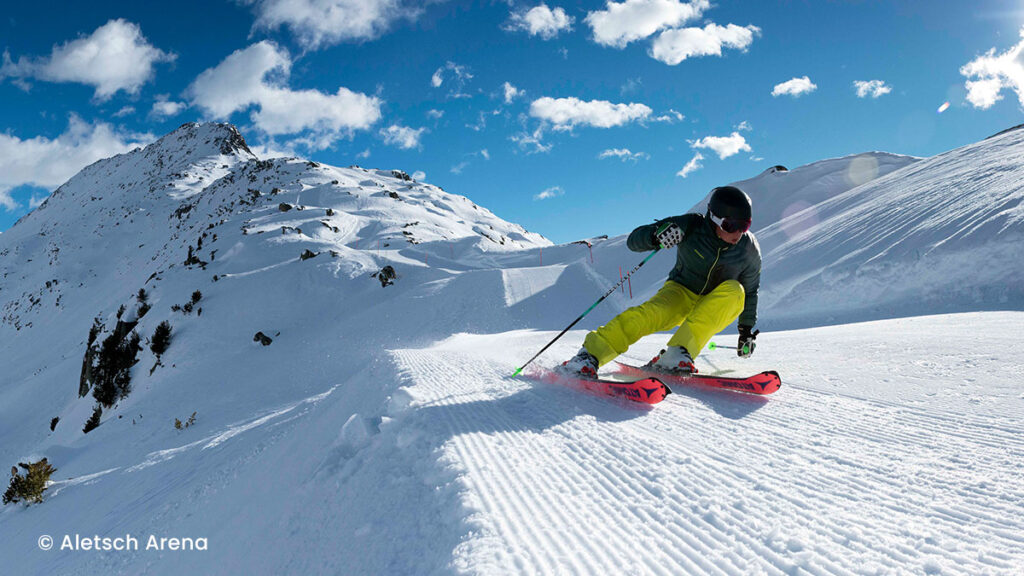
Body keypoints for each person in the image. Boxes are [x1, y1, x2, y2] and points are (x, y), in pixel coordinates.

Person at [561, 185, 761, 377]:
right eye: (730, 225)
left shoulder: (748, 247)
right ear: (714, 218)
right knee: (649, 315)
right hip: (681, 291)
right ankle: (589, 355)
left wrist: (746, 330)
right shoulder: (691, 225)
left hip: (715, 301)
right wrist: (656, 236)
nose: (738, 233)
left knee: (737, 291)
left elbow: (751, 290)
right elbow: (633, 241)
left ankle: (677, 353)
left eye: (745, 226)